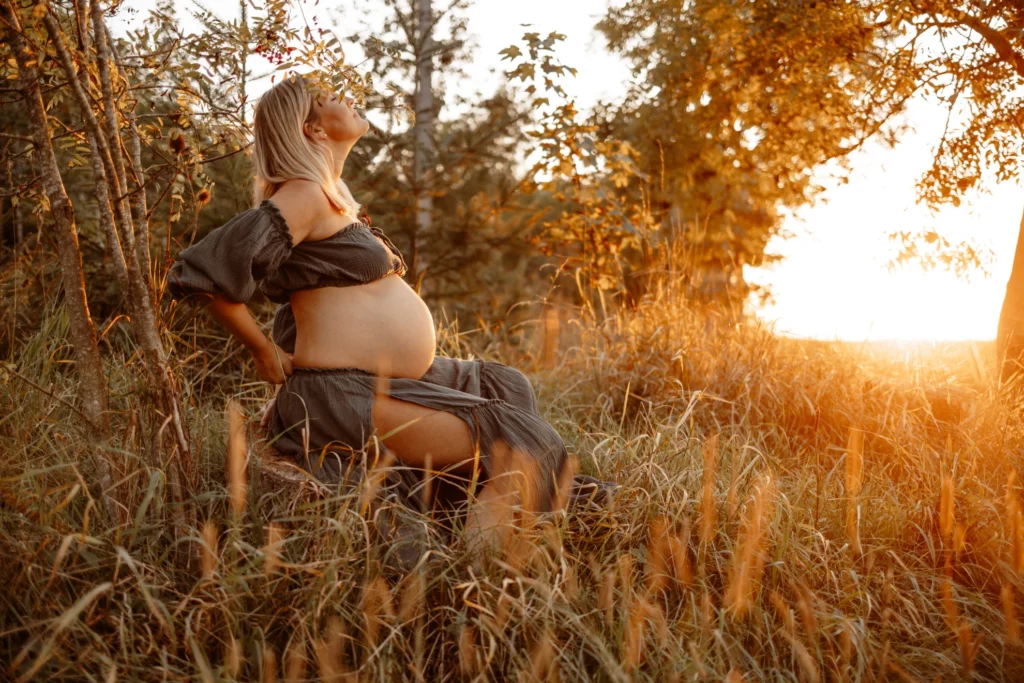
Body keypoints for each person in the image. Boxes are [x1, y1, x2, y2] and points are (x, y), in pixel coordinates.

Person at [167, 74, 594, 553]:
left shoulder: (331, 195)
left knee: (505, 385)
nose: (349, 98)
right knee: (520, 440)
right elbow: (200, 271)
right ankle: (473, 583)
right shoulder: (303, 194)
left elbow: (300, 299)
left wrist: (286, 350)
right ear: (313, 129)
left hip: (372, 380)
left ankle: (488, 516)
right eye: (332, 97)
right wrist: (263, 352)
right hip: (342, 394)